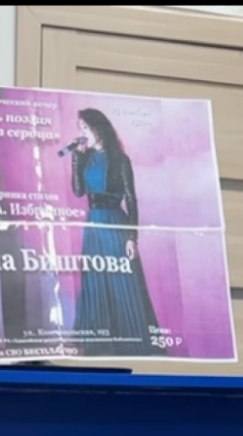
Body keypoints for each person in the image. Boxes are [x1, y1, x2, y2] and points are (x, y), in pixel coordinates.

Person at [67, 108, 164, 358]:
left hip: (115, 223)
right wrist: (76, 158)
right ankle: (97, 343)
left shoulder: (120, 160)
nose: (82, 133)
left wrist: (132, 238)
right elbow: (78, 191)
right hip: (94, 224)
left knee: (123, 280)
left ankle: (132, 343)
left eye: (85, 127)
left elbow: (131, 200)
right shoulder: (85, 157)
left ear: (98, 128)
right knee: (96, 279)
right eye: (80, 128)